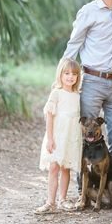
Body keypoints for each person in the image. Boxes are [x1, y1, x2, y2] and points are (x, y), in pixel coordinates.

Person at [61, 0, 112, 170]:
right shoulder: (87, 11)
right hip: (92, 82)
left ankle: (111, 187)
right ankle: (85, 191)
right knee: (86, 137)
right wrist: (61, 77)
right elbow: (73, 44)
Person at [34, 59, 82, 214]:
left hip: (70, 138)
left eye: (74, 74)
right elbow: (49, 116)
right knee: (54, 167)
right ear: (60, 74)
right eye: (66, 73)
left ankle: (63, 199)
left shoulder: (77, 95)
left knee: (66, 168)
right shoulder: (56, 93)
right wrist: (50, 138)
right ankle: (50, 202)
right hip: (56, 136)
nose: (70, 77)